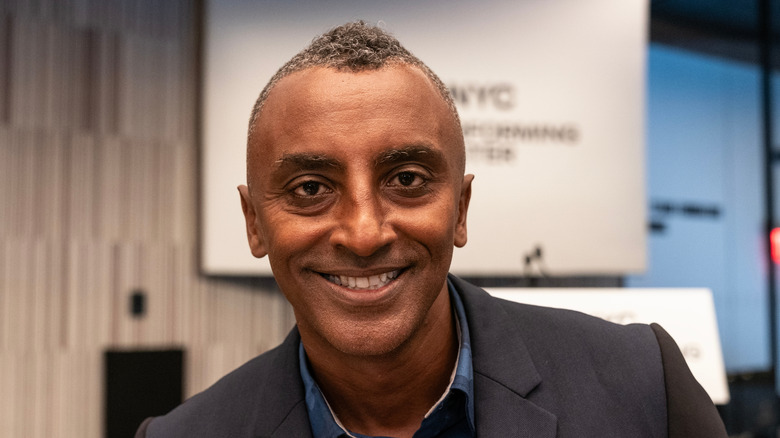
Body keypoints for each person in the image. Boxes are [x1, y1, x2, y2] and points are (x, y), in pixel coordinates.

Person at [136, 21, 727, 438]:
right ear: (255, 223)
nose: (364, 233)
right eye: (311, 189)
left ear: (461, 209)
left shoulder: (642, 388)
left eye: (408, 179)